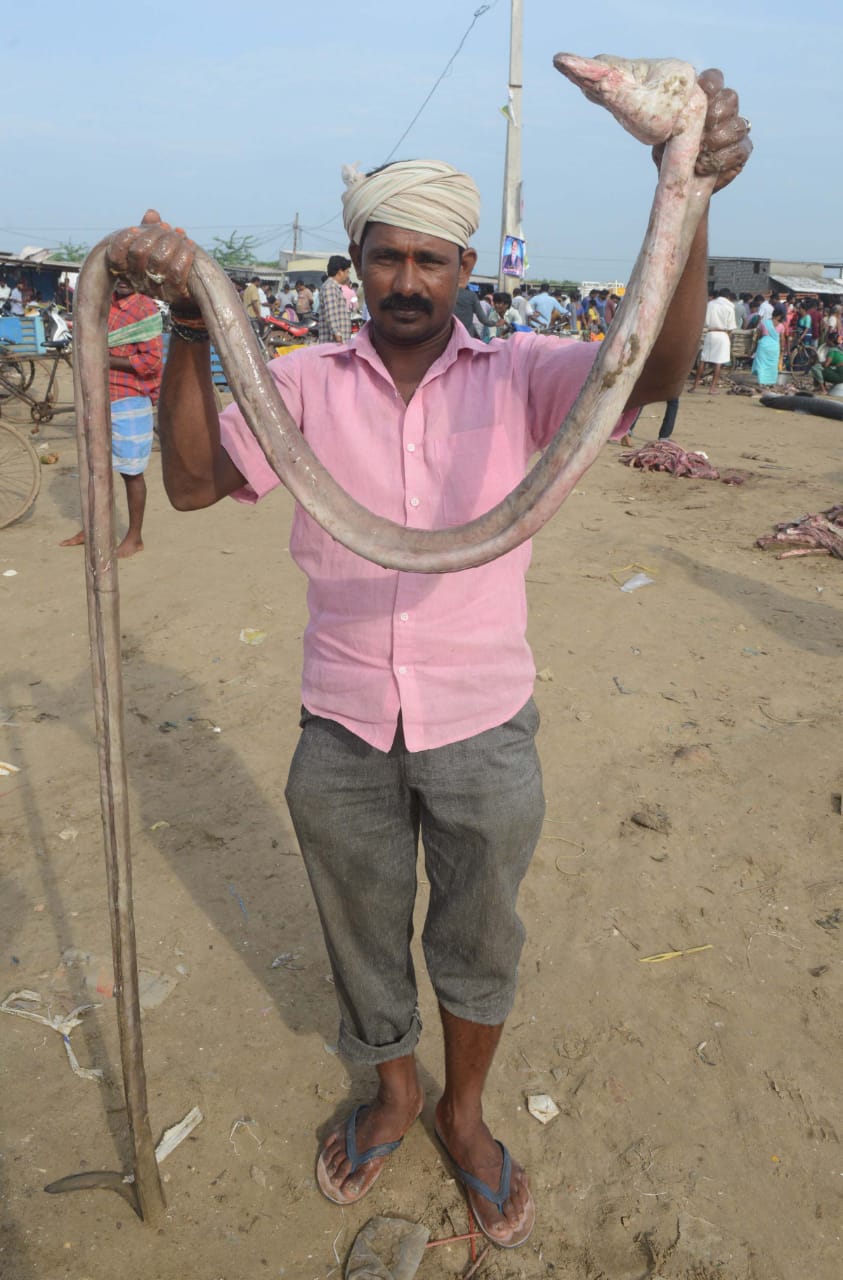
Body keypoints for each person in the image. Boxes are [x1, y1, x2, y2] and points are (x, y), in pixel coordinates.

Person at [105, 72, 749, 1249]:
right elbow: (192, 484)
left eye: (431, 259)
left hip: (483, 719)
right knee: (359, 927)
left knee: (478, 930)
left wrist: (691, 198)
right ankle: (393, 1088)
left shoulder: (528, 376)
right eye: (386, 257)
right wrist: (194, 323)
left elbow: (651, 374)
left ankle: (463, 1109)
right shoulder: (297, 382)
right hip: (341, 717)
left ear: (466, 271)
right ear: (356, 265)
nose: (407, 279)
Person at [60, 277, 163, 558]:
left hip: (128, 400)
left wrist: (101, 357)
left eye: (131, 275)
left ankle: (135, 536)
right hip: (96, 396)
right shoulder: (105, 302)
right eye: (118, 273)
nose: (125, 281)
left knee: (131, 472)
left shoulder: (144, 308)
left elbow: (151, 361)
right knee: (95, 470)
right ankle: (94, 529)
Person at [690, 287, 737, 394]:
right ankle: (712, 389)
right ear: (728, 296)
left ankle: (694, 386)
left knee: (703, 360)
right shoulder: (730, 307)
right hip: (723, 334)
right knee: (718, 363)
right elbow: (731, 327)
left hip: (710, 333)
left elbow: (705, 322)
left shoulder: (710, 304)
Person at [317, 255, 353, 344]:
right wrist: (338, 338)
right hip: (334, 343)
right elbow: (331, 315)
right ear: (340, 272)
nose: (347, 276)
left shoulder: (334, 287)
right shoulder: (330, 287)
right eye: (347, 272)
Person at [751, 304, 780, 388]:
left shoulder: (763, 323)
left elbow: (758, 335)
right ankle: (771, 381)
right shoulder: (781, 326)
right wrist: (781, 350)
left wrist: (755, 345)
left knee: (761, 364)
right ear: (779, 316)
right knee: (772, 365)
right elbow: (782, 340)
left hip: (763, 346)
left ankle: (761, 382)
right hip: (774, 348)